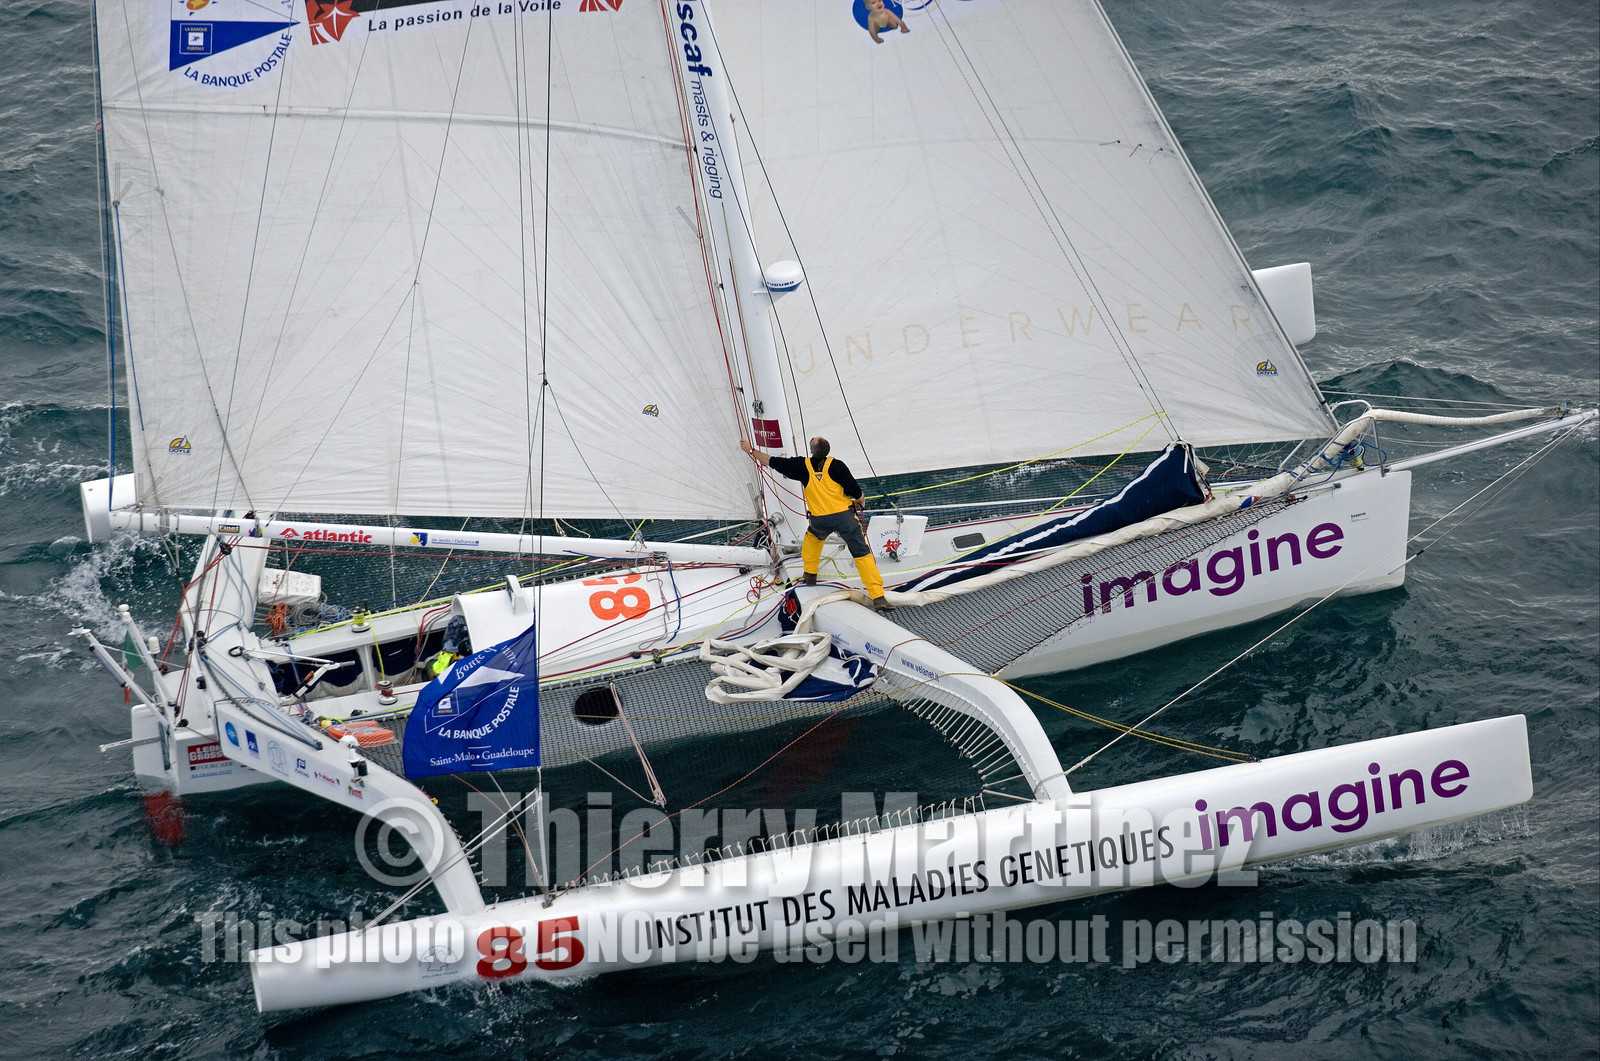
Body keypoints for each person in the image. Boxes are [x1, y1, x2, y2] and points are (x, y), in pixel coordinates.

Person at [741, 435, 894, 611]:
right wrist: (861, 501)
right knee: (862, 553)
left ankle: (810, 576)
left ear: (812, 451)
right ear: (827, 451)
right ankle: (878, 596)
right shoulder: (837, 465)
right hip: (845, 518)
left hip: (820, 520)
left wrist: (751, 450)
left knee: (812, 542)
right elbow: (855, 491)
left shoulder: (802, 466)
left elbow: (772, 461)